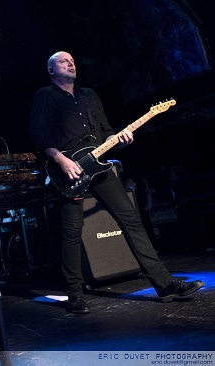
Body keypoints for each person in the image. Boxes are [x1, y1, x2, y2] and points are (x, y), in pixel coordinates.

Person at [29, 51, 204, 314]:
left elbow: (105, 131)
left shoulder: (89, 95)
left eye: (73, 60)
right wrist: (61, 161)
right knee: (71, 234)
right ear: (51, 71)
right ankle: (74, 295)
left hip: (99, 168)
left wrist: (120, 138)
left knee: (131, 220)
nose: (71, 62)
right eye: (63, 61)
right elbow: (38, 134)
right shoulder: (45, 96)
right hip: (69, 172)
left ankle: (165, 285)